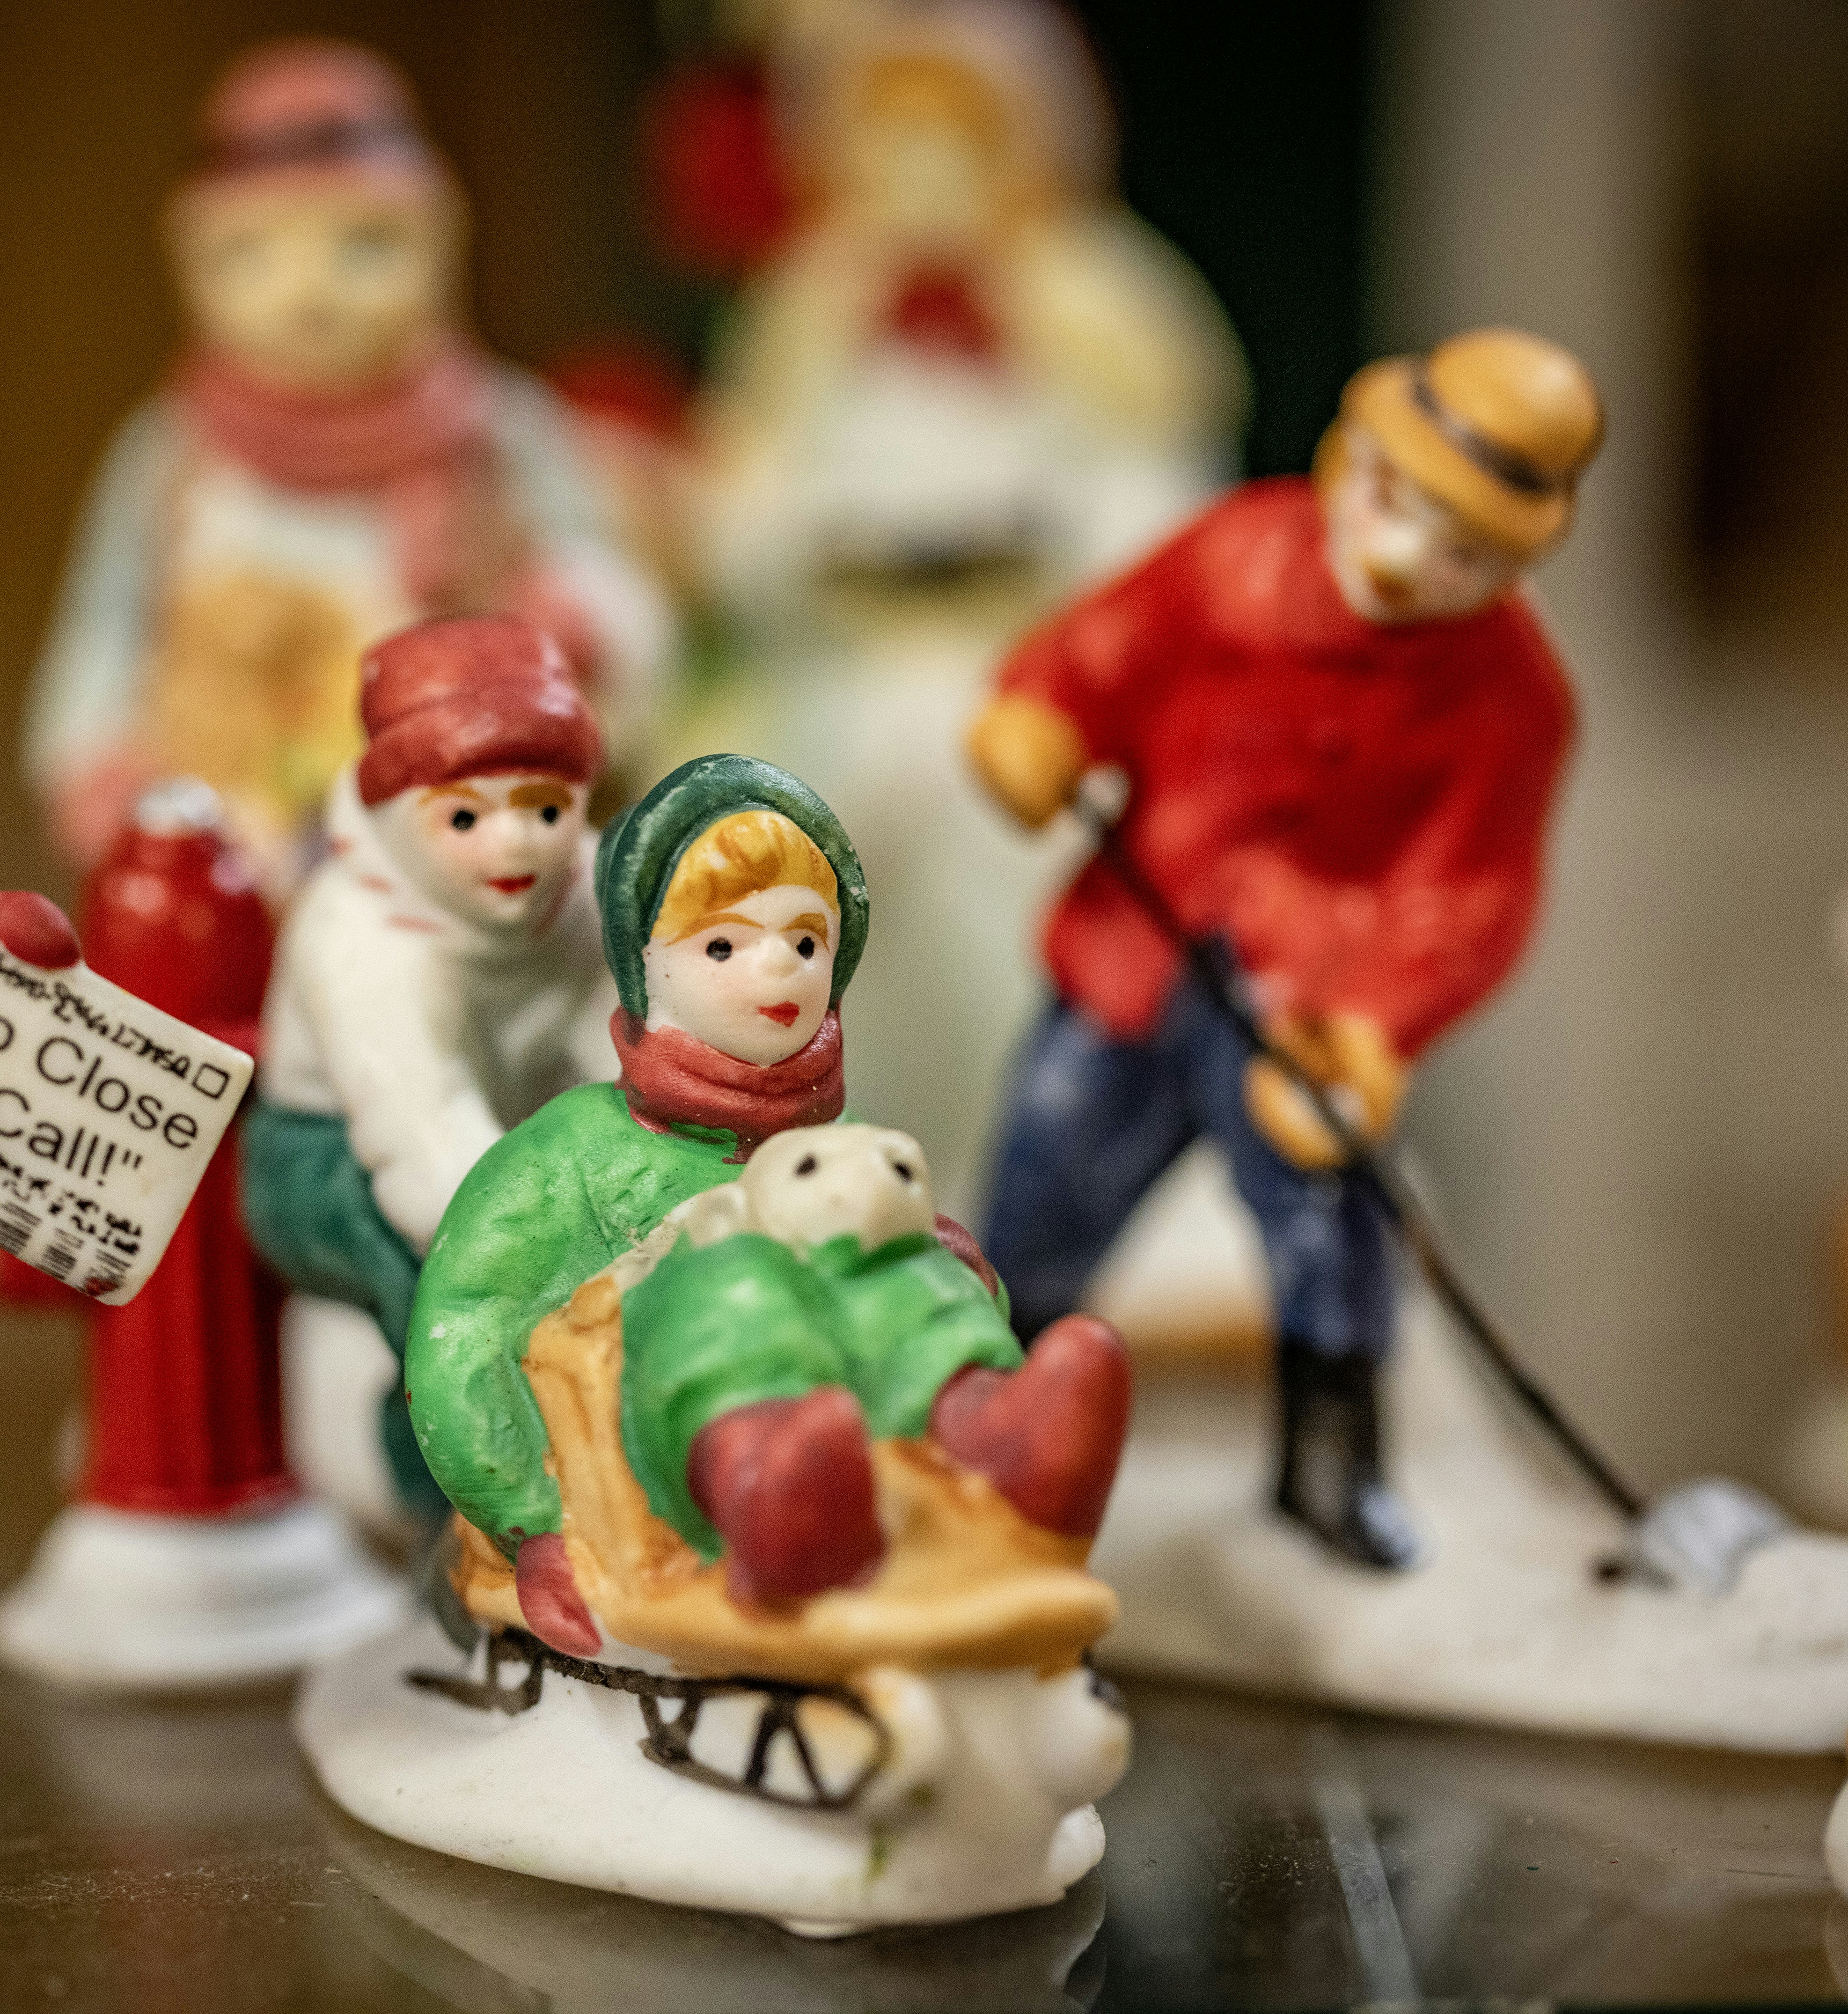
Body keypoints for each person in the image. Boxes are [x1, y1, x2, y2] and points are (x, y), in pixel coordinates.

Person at [967, 327, 1601, 1570]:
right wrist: (1036, 725)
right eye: (1390, 502)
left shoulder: (1512, 700)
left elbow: (1469, 887)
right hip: (1134, 952)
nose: (1409, 559)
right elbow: (1092, 654)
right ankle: (986, 1423)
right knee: (1047, 1172)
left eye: (1464, 550)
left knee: (1330, 1222)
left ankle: (1329, 1471)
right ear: (1344, 456)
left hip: (1307, 1003)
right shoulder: (1229, 560)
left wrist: (1375, 1018)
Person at [405, 754, 1125, 1653]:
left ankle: (988, 1430)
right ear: (644, 968)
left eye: (806, 941)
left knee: (910, 1253)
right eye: (722, 946)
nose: (776, 972)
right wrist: (531, 1520)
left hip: (867, 1445)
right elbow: (462, 1330)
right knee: (734, 1275)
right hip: (655, 1470)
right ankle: (773, 1486)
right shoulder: (569, 1156)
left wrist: (950, 1270)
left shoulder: (845, 1143)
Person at [22, 39, 666, 887]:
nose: (308, 295)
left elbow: (611, 590)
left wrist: (557, 628)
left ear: (438, 245)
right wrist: (102, 773)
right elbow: (103, 628)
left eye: (364, 248)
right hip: (229, 836)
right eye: (252, 256)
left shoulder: (498, 433)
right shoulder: (170, 453)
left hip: (453, 837)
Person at [242, 616, 615, 1516]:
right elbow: (424, 1136)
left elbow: (631, 1029)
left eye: (544, 808)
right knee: (448, 1301)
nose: (515, 847)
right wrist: (540, 1263)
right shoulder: (363, 939)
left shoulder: (588, 887)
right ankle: (448, 1503)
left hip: (530, 1138)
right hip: (332, 1155)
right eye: (462, 817)